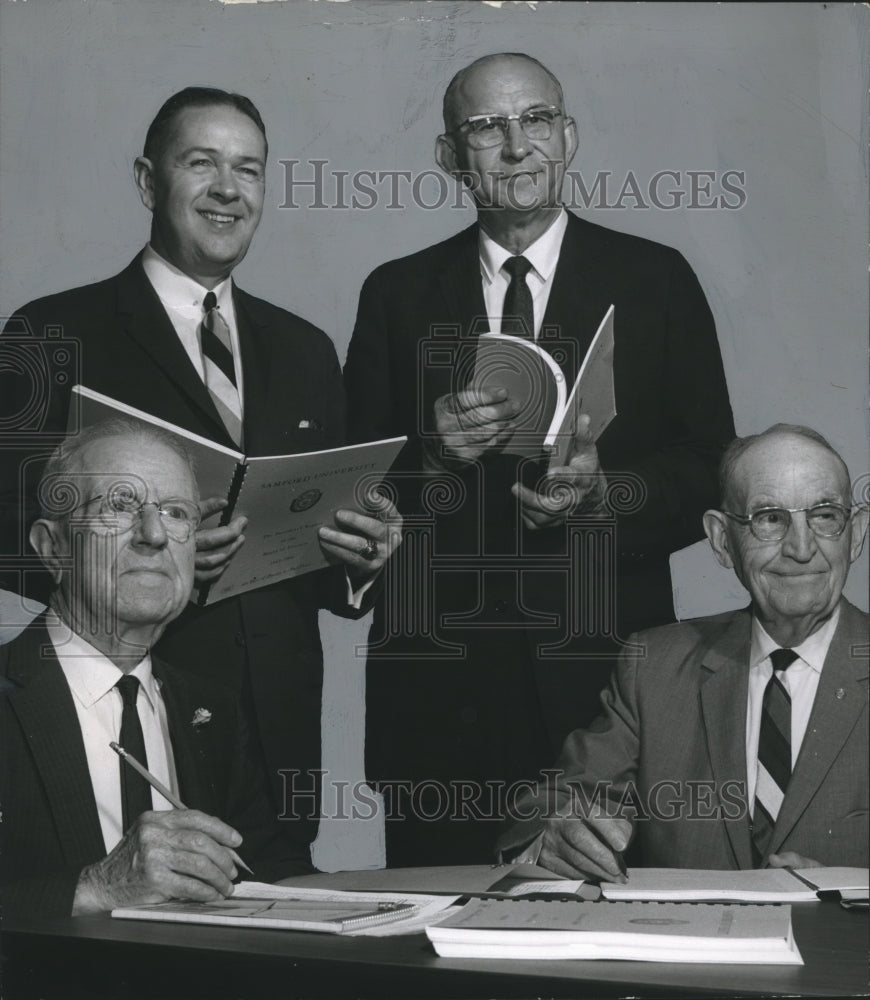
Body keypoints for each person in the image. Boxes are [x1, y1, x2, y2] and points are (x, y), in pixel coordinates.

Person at [344, 52, 734, 864]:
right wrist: (434, 455)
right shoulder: (396, 293)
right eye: (486, 127)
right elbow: (351, 491)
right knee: (432, 961)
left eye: (537, 119)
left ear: (570, 136)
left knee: (612, 963)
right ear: (452, 157)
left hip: (607, 694)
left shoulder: (657, 280)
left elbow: (710, 465)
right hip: (438, 698)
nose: (517, 144)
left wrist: (606, 497)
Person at [2, 87, 400, 850]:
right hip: (126, 714)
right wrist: (145, 551)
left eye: (248, 170)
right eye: (202, 164)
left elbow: (322, 552)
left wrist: (360, 562)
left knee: (273, 937)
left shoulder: (305, 347)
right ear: (150, 182)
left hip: (278, 735)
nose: (228, 189)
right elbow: (5, 526)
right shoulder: (52, 331)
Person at [497, 425, 869, 874]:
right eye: (770, 518)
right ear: (721, 540)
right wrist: (550, 835)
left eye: (825, 515)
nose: (801, 547)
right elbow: (555, 803)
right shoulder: (655, 667)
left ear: (857, 532)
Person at [1, 420, 314, 919]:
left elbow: (270, 871)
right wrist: (96, 889)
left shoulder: (213, 707)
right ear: (53, 546)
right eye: (120, 506)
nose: (153, 534)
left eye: (175, 513)